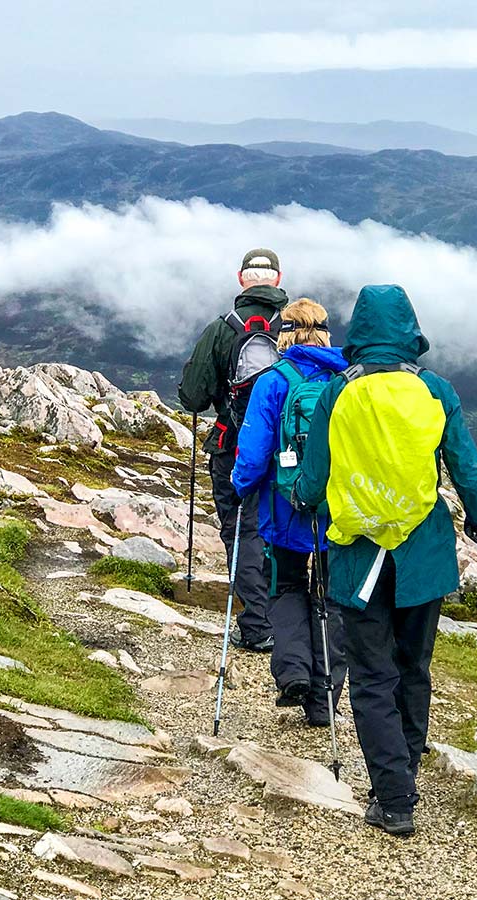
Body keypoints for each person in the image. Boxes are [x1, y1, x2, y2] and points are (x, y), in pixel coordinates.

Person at [294, 284, 477, 838]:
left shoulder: (338, 391)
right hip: (423, 557)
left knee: (371, 673)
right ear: (410, 330)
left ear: (359, 331)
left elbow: (314, 476)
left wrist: (303, 500)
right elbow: (465, 465)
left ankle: (394, 796)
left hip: (359, 556)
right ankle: (405, 765)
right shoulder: (435, 390)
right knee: (414, 666)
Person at [231, 298, 349, 723]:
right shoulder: (347, 380)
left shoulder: (274, 379)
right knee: (335, 600)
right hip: (339, 512)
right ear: (326, 332)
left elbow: (255, 448)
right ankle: (326, 702)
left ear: (284, 333)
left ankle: (294, 673)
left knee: (286, 587)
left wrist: (242, 487)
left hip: (286, 510)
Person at [178, 248, 288, 652]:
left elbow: (192, 397)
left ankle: (257, 626)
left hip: (234, 446)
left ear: (242, 279)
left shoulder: (222, 329)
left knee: (242, 531)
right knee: (285, 533)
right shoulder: (294, 327)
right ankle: (292, 624)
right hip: (291, 449)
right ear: (278, 280)